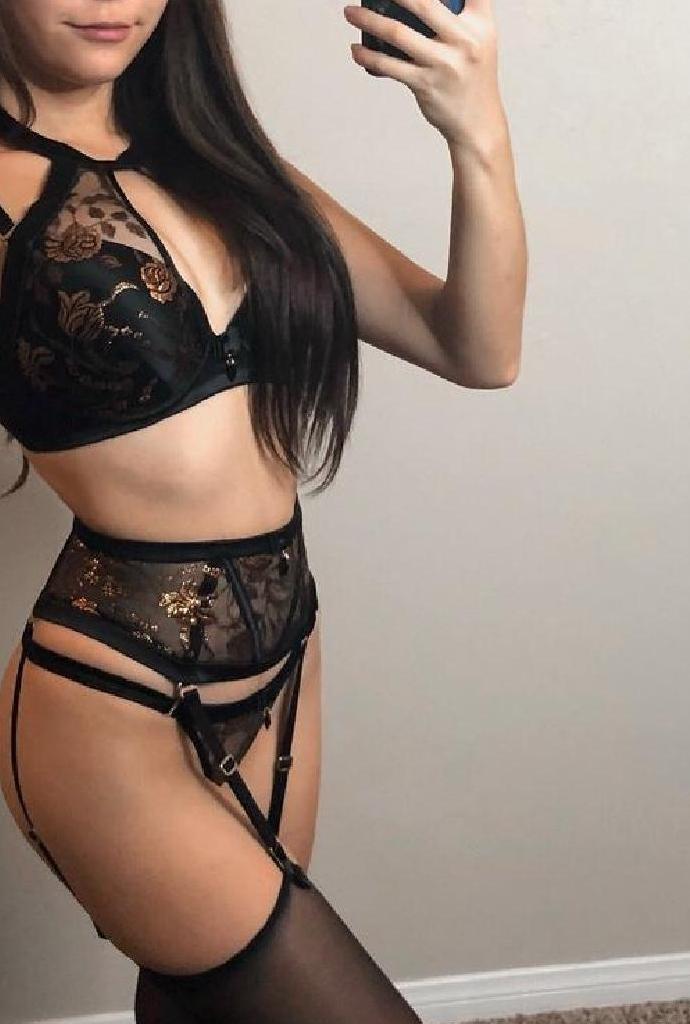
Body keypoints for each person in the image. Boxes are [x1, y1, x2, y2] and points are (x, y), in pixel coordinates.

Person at [0, 0, 525, 1019]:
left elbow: (477, 345)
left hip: (286, 665)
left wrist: (478, 127)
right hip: (112, 702)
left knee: (209, 1007)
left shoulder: (228, 167)